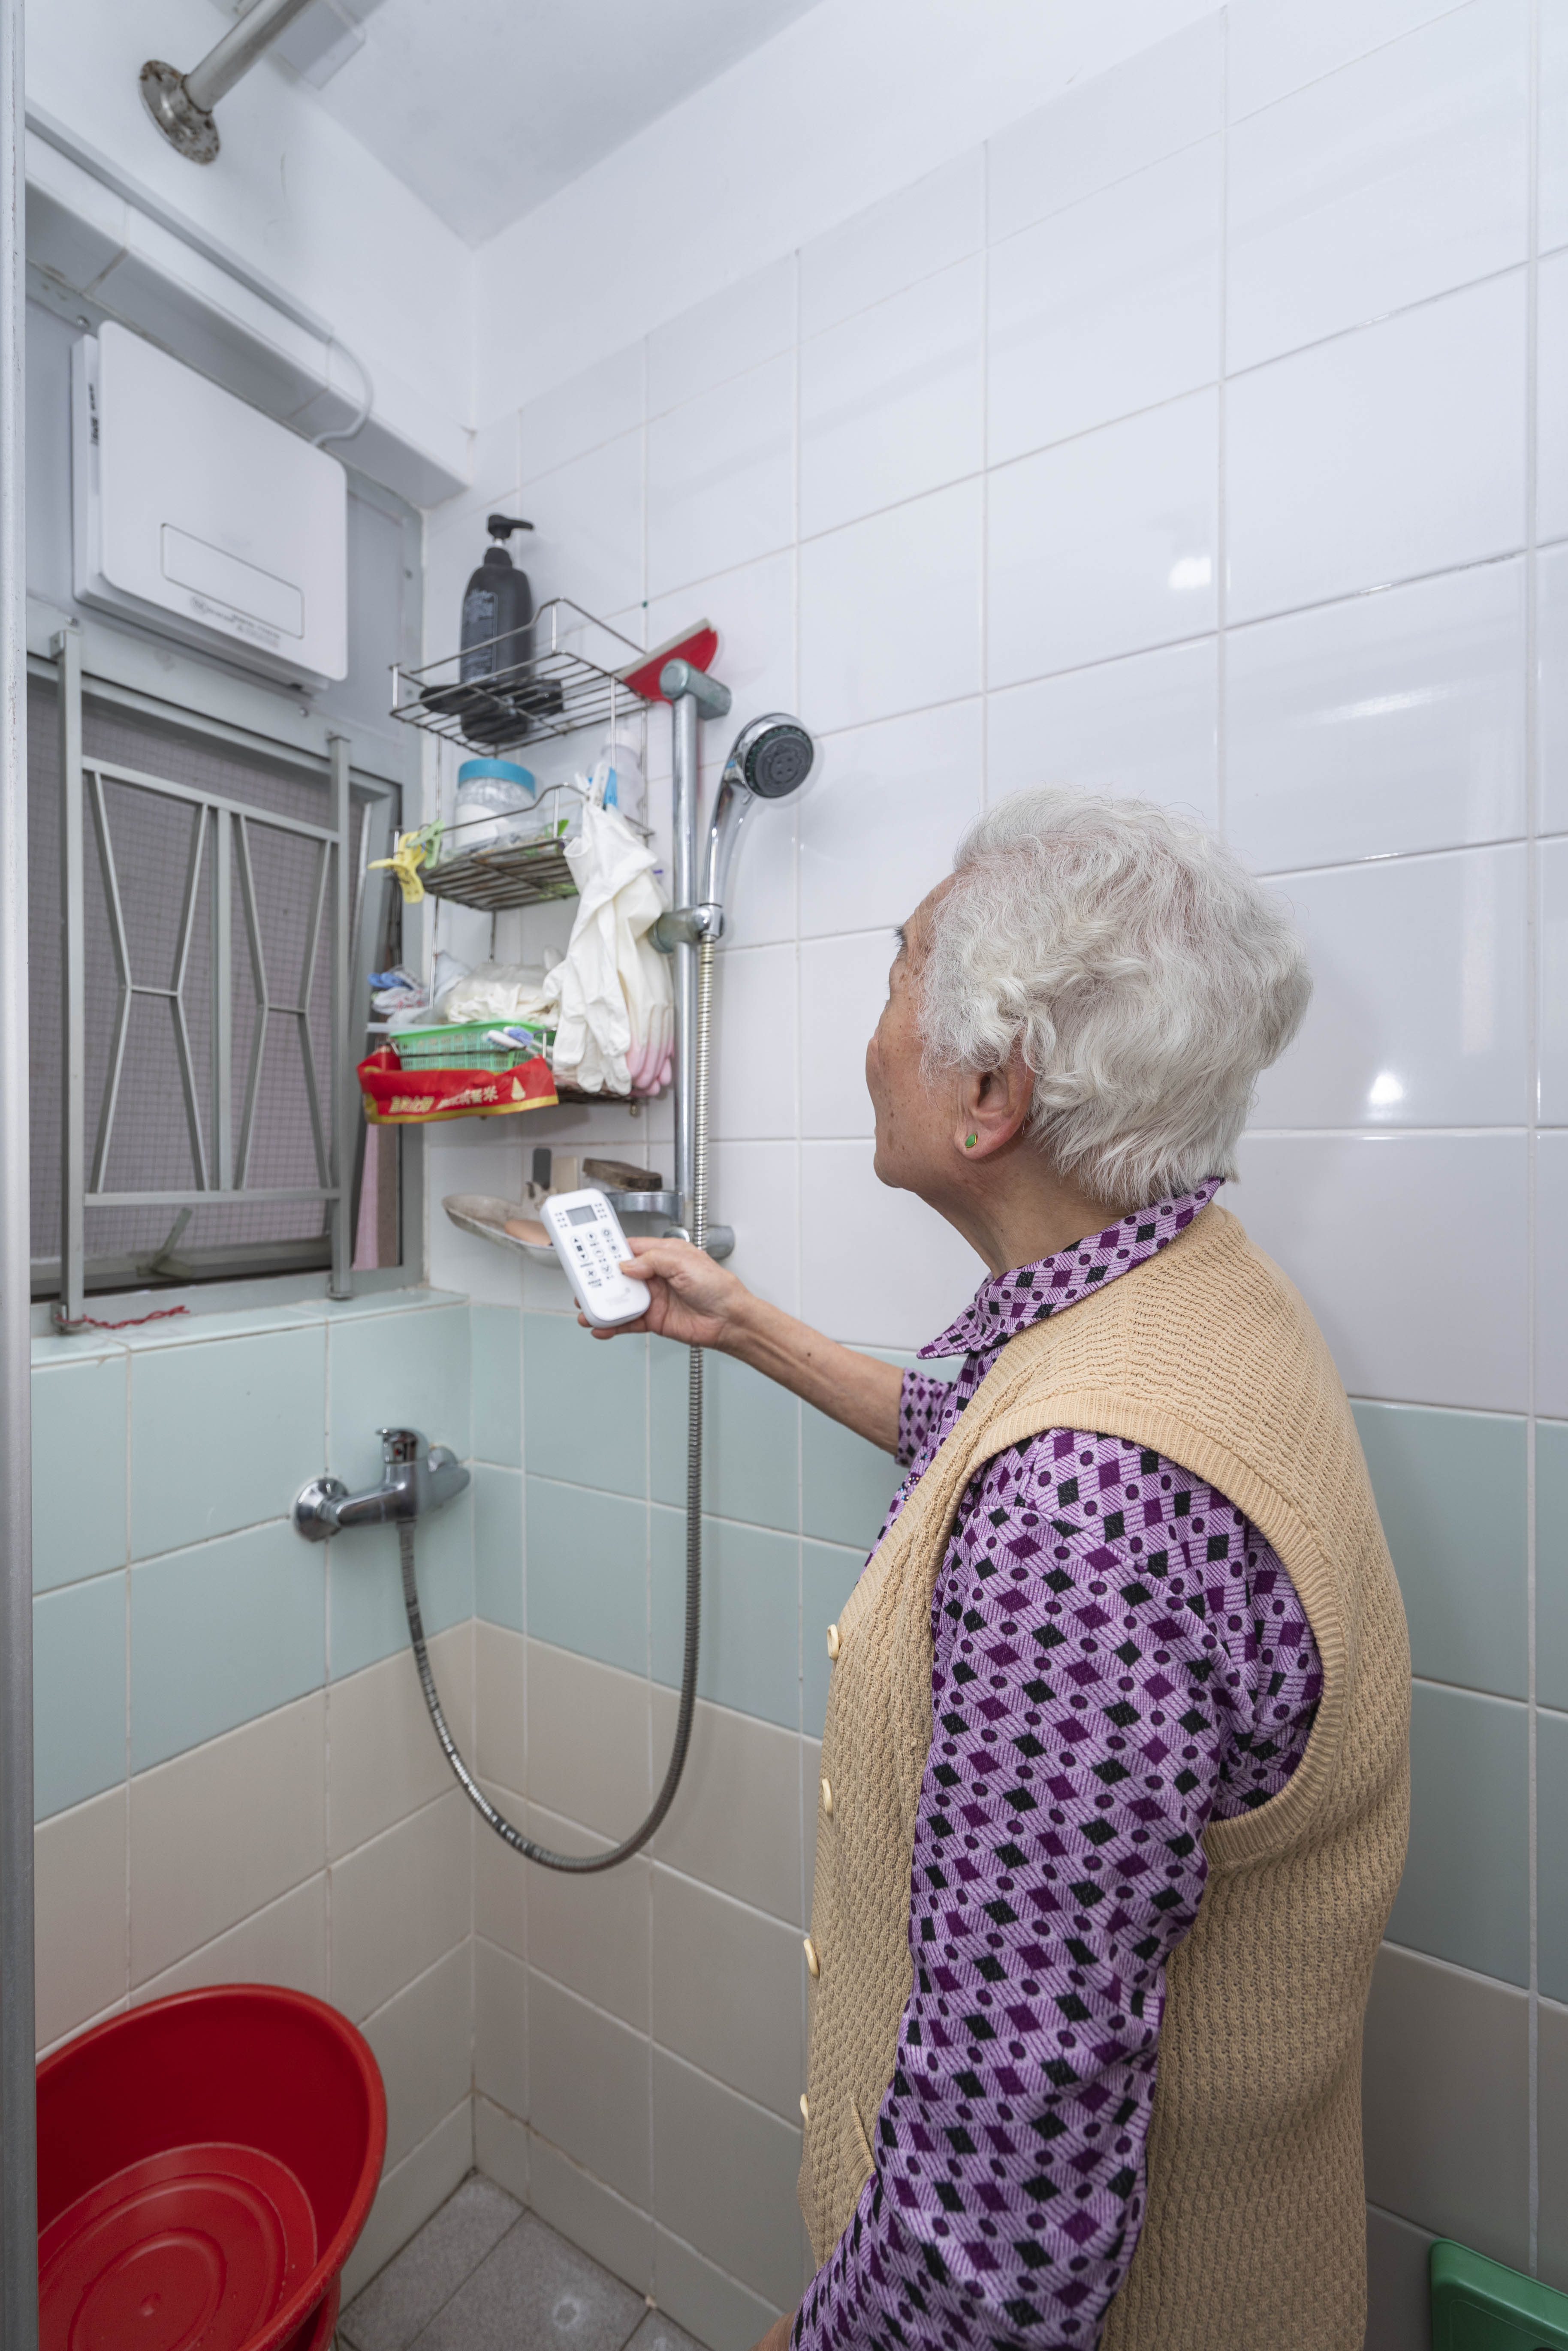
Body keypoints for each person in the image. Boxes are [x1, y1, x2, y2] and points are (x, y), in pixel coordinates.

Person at [586, 789, 1410, 2351]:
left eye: (898, 975)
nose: (873, 1035)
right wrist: (745, 1325)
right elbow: (980, 1421)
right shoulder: (1189, 1291)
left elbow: (1000, 2227)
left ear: (989, 1093)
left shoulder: (1083, 1512)